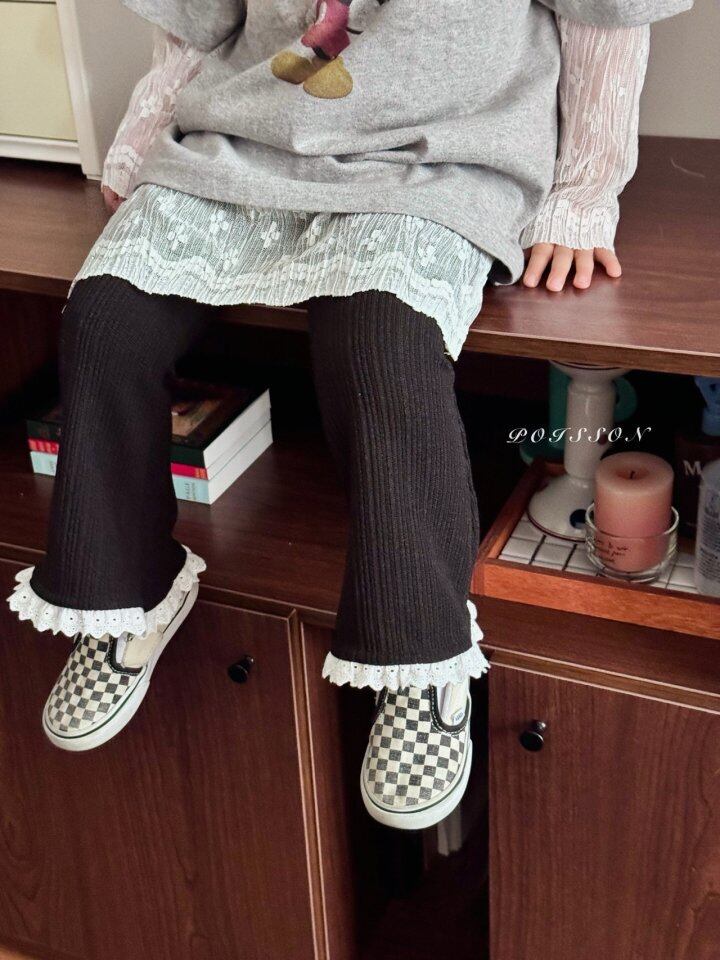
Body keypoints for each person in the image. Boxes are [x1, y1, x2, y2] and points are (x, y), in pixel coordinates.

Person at [7, 0, 693, 830]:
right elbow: (197, 19)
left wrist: (583, 193)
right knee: (104, 323)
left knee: (379, 345)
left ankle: (421, 651)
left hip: (442, 153)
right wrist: (138, 137)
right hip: (245, 138)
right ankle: (127, 590)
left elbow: (605, 18)